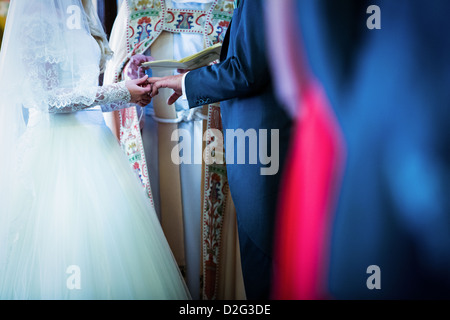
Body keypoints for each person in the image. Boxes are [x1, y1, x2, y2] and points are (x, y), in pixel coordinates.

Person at [0, 0, 190, 300]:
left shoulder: (80, 6)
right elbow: (48, 100)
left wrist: (128, 85)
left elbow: (84, 89)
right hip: (56, 154)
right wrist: (119, 92)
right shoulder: (36, 8)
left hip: (94, 143)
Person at [149, 0, 293, 300]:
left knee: (268, 270)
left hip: (263, 150)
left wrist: (186, 82)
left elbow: (246, 70)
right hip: (263, 145)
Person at [103, 0, 245, 300]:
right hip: (153, 136)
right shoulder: (136, 7)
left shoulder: (229, 6)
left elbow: (243, 69)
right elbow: (112, 74)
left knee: (204, 227)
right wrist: (128, 74)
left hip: (209, 139)